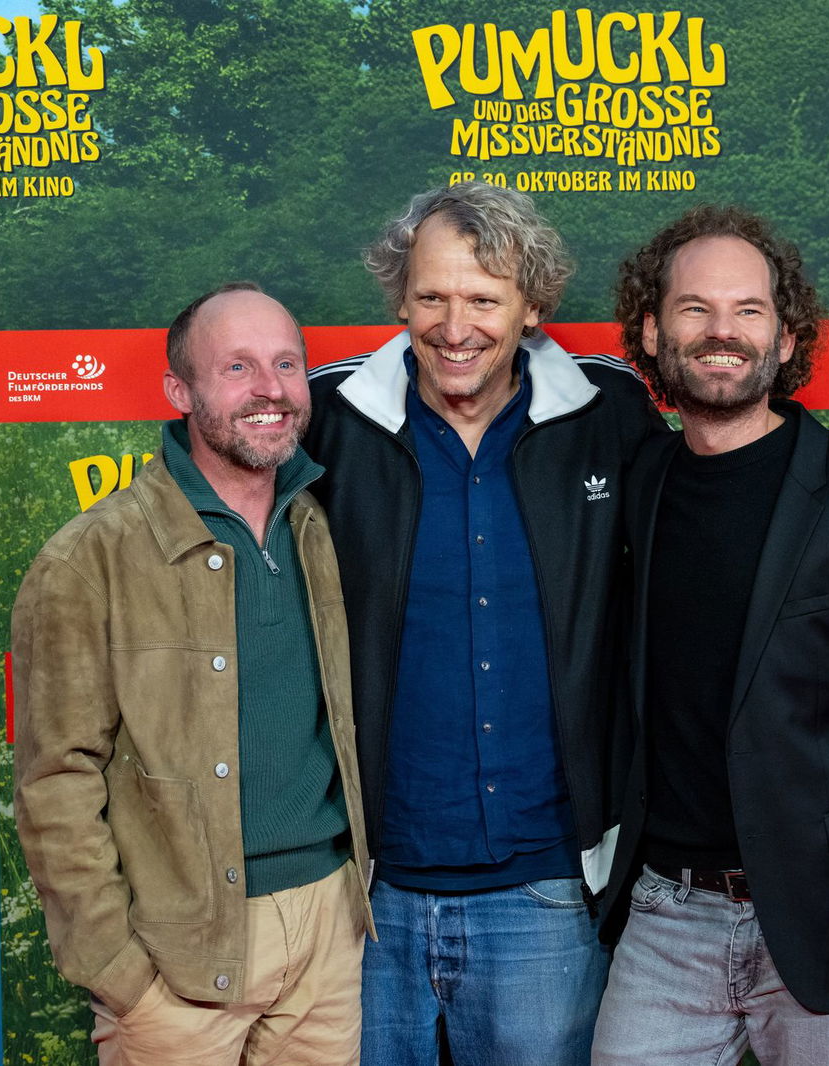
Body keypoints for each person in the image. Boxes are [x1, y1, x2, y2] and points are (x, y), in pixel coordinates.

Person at [303, 182, 666, 1066]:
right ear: (400, 298)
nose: (453, 325)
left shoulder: (610, 414)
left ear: (532, 306)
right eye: (431, 296)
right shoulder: (327, 419)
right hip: (365, 895)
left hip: (545, 889)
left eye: (483, 299)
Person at [592, 206, 829, 1066]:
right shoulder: (638, 483)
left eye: (748, 311)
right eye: (694, 309)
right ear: (651, 331)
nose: (723, 332)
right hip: (663, 919)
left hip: (825, 925)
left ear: (786, 339)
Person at [12, 284, 372, 1066]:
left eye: (285, 364)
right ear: (180, 391)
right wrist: (118, 970)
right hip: (176, 955)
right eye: (237, 367)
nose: (270, 390)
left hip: (326, 933)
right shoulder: (90, 557)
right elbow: (53, 780)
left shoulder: (313, 525)